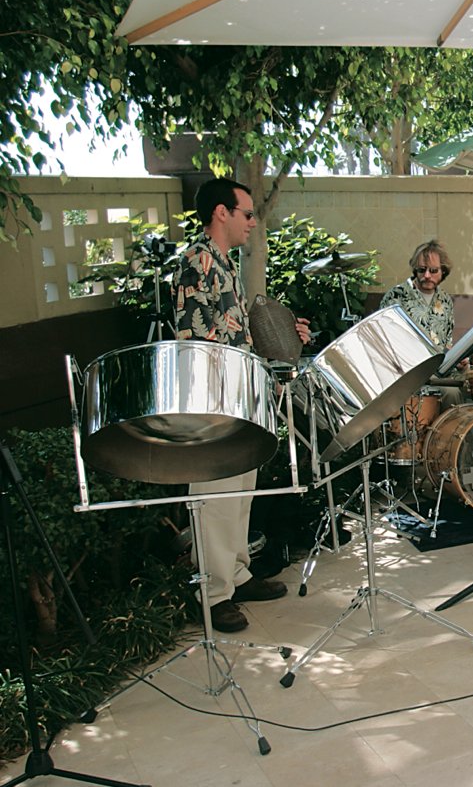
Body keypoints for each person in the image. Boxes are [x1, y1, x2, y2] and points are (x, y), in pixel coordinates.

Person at [173, 177, 310, 633]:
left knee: (238, 491)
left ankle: (234, 574)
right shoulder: (197, 261)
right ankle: (210, 594)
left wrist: (286, 337)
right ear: (221, 212)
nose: (253, 221)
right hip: (212, 398)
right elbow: (193, 338)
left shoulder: (224, 263)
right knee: (213, 497)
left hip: (237, 395)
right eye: (247, 213)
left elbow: (236, 331)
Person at [379, 239, 456, 351]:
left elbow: (447, 343)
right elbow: (385, 338)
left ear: (443, 271)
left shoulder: (445, 300)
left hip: (438, 366)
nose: (427, 275)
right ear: (415, 270)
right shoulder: (396, 295)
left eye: (433, 270)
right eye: (422, 270)